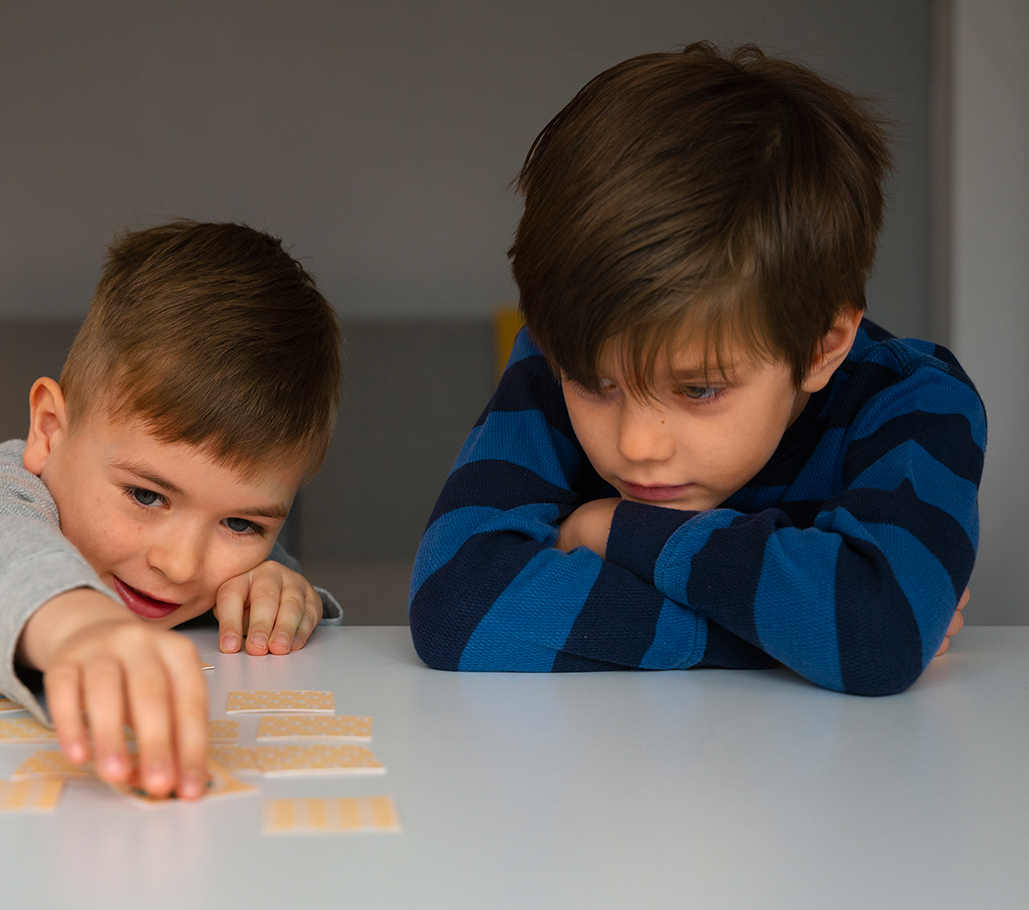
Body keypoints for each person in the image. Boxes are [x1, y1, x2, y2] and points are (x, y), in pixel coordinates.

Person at [409, 43, 984, 696]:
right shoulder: (553, 359)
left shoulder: (915, 402)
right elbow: (457, 607)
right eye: (595, 385)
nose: (636, 445)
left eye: (700, 389)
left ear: (824, 346)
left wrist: (609, 528)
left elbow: (875, 635)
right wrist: (799, 634)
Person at [0, 221, 342, 798]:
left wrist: (278, 589)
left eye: (241, 524)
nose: (180, 564)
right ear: (49, 430)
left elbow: (247, 599)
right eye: (147, 496)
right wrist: (81, 628)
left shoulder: (203, 563)